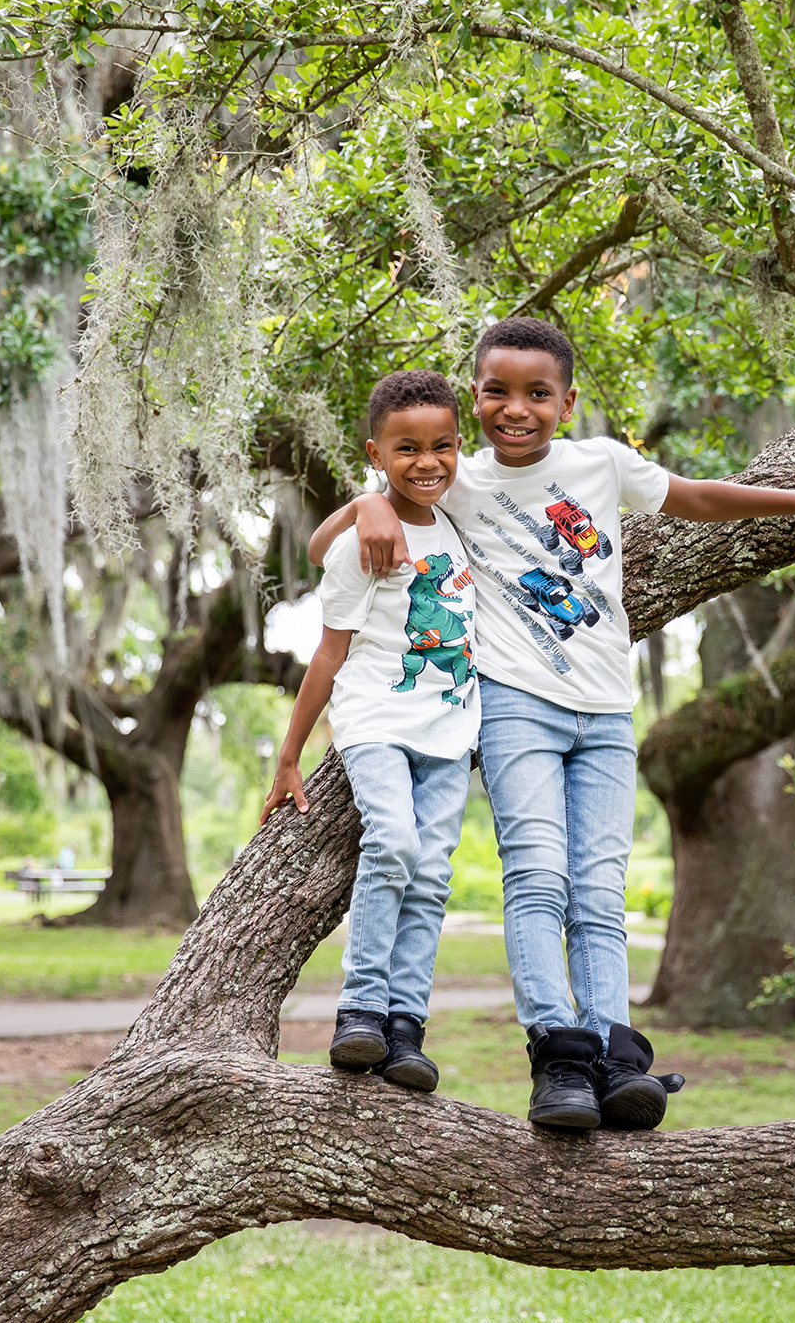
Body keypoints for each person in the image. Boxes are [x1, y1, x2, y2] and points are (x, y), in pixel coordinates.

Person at [310, 317, 795, 1131]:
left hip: (607, 712)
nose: (517, 408)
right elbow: (333, 539)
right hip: (515, 706)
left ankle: (613, 1056)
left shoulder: (600, 463)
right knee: (538, 876)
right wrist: (365, 504)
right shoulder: (456, 477)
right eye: (497, 391)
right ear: (474, 398)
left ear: (567, 402)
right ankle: (558, 1056)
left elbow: (698, 498)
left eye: (538, 393)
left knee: (601, 892)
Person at [263, 369, 478, 1092]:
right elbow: (328, 651)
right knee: (393, 844)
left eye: (442, 445)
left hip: (452, 731)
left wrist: (367, 500)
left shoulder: (458, 519)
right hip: (378, 721)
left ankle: (406, 1027)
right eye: (407, 448)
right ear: (376, 454)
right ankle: (360, 1011)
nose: (427, 461)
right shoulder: (365, 540)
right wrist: (289, 755)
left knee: (433, 873)